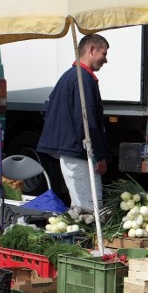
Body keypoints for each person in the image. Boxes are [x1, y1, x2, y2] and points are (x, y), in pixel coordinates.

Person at [37, 34, 110, 212]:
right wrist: (99, 155)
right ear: (92, 50)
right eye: (104, 53)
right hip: (78, 151)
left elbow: (46, 109)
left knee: (82, 202)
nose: (105, 60)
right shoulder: (83, 78)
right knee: (90, 205)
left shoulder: (68, 76)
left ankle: (79, 234)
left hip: (70, 149)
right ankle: (86, 238)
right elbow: (87, 121)